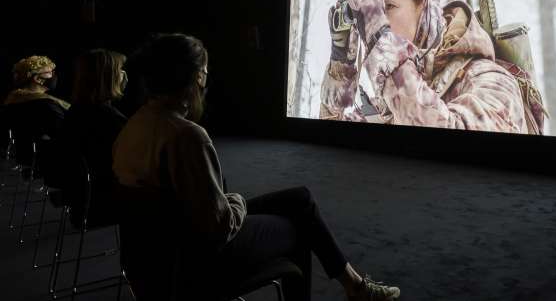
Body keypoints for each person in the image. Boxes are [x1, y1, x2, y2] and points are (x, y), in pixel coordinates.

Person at [112, 33, 400, 301]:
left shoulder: (134, 125)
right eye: (205, 75)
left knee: (300, 199)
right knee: (298, 227)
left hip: (153, 259)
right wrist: (236, 202)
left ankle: (354, 285)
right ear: (196, 78)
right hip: (197, 259)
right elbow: (218, 227)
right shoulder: (186, 136)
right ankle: (353, 289)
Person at [320, 0, 526, 133]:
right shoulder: (395, 97)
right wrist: (341, 63)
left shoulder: (490, 80)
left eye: (389, 7)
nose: (381, 20)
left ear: (428, 13)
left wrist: (381, 41)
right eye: (378, 11)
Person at [58, 49, 128, 221]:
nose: (124, 75)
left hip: (81, 201)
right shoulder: (107, 119)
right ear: (107, 77)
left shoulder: (76, 111)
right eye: (119, 70)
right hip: (104, 202)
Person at [2, 55, 70, 169]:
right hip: (53, 159)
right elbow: (66, 132)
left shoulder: (13, 100)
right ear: (37, 79)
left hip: (26, 157)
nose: (54, 76)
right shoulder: (44, 105)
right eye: (50, 72)